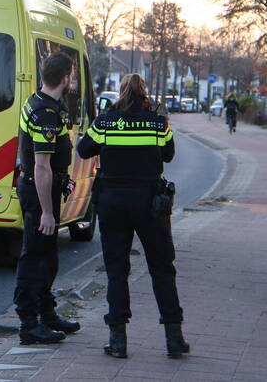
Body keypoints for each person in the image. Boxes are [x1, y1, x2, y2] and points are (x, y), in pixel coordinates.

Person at [77, 73, 189, 359]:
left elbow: (83, 149)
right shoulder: (158, 122)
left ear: (121, 92)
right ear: (144, 93)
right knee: (162, 268)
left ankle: (117, 341)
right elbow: (168, 155)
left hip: (112, 201)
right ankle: (174, 339)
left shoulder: (105, 121)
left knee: (116, 271)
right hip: (150, 203)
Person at [14, 51, 80, 344]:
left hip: (37, 189)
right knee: (35, 258)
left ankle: (47, 314)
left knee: (48, 256)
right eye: (73, 74)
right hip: (40, 192)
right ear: (65, 78)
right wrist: (47, 212)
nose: (74, 79)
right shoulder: (46, 115)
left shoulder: (36, 101)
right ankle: (29, 325)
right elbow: (42, 166)